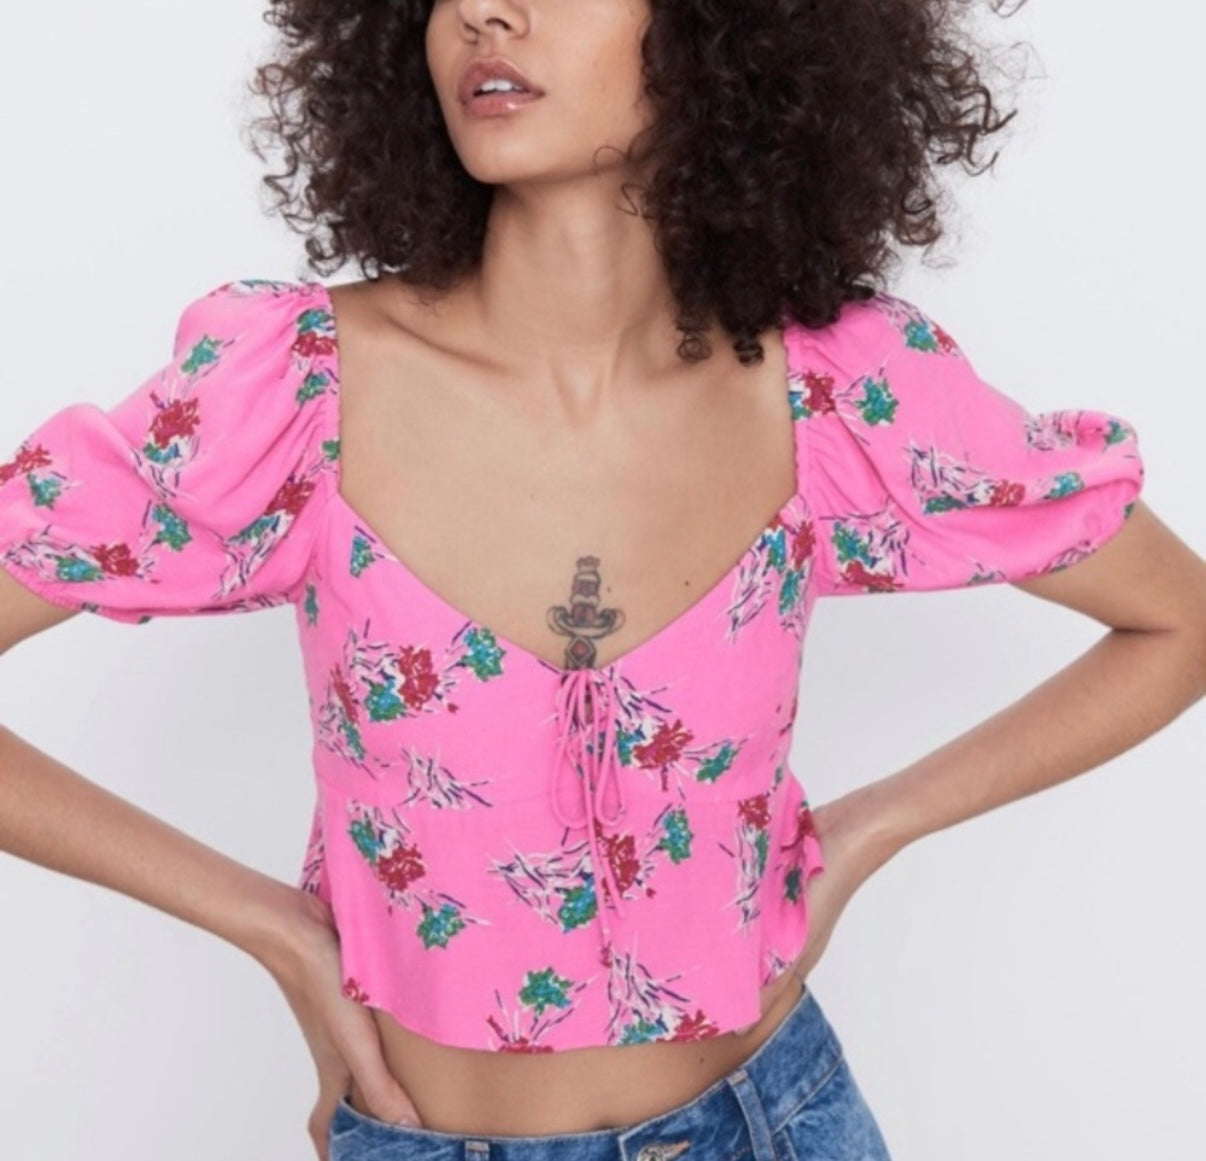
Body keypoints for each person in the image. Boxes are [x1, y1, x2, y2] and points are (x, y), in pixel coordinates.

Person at [1, 2, 1203, 1160]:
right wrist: (275, 929)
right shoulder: (297, 392)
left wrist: (865, 833)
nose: (486, 13)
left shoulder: (835, 392)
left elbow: (1179, 623)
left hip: (773, 1124)